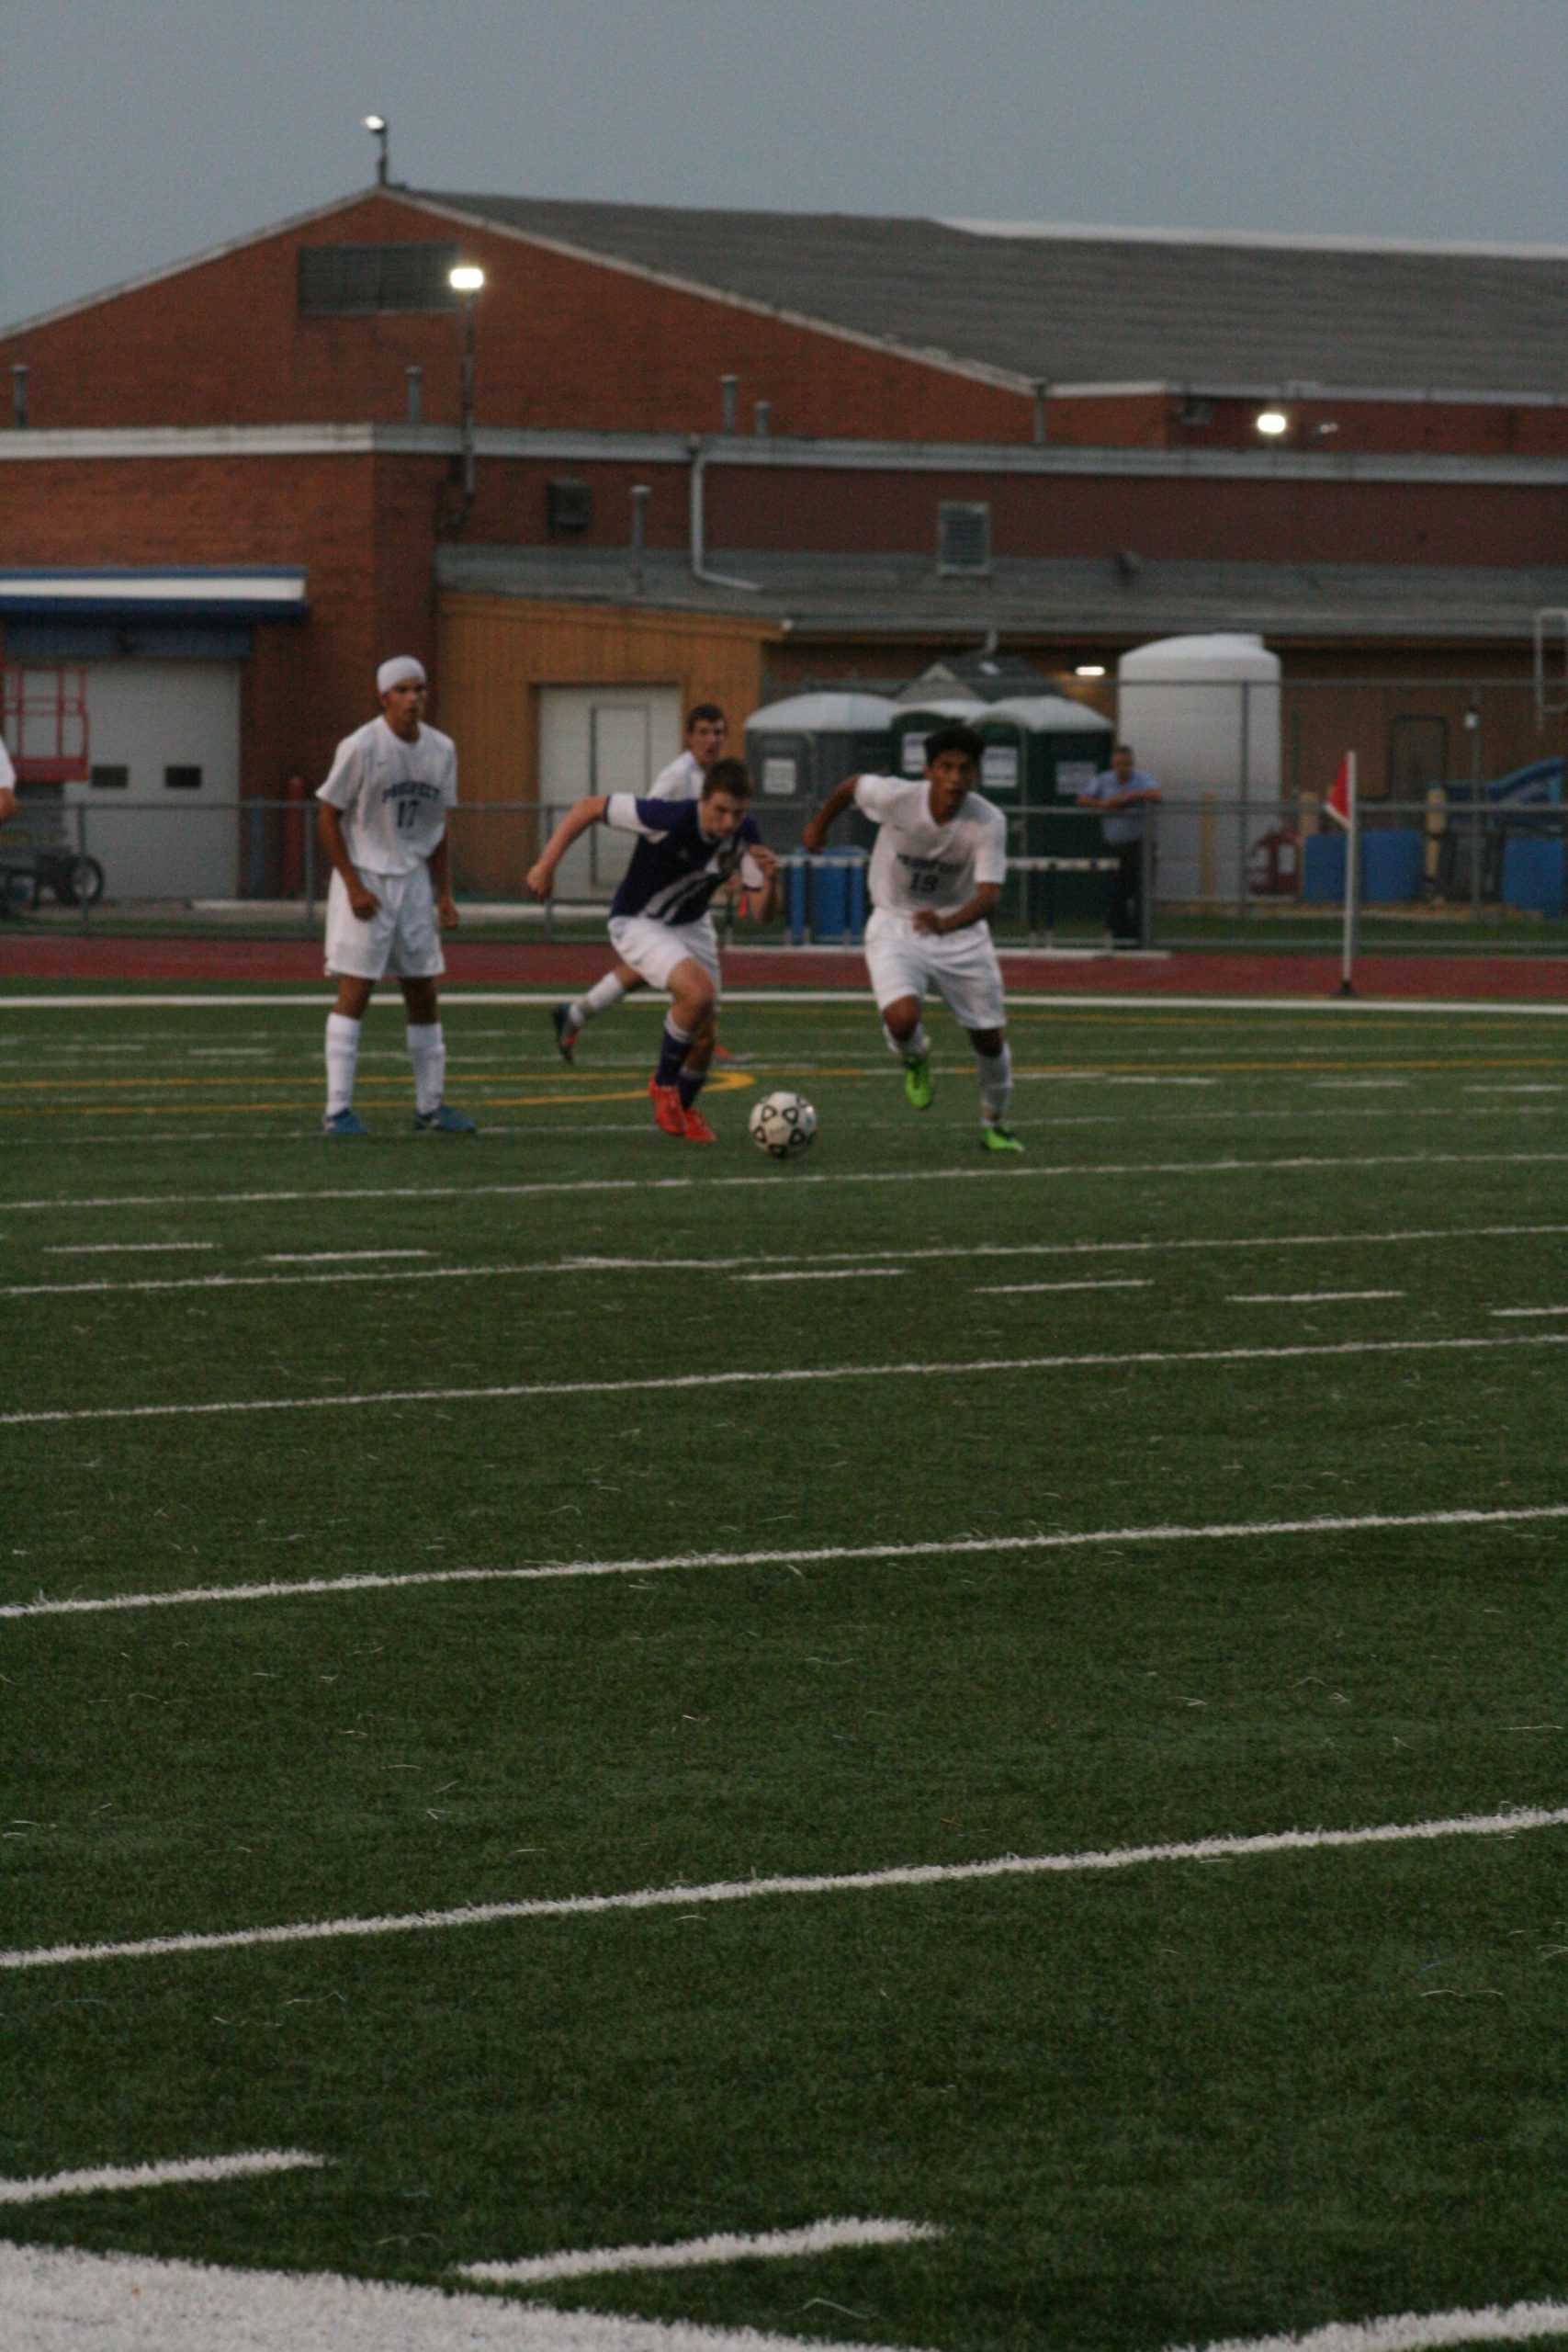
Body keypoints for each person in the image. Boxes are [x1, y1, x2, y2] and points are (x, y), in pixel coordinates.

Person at [526, 756, 778, 1143]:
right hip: (639, 920)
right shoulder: (669, 817)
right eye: (721, 810)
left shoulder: (748, 833)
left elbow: (762, 914)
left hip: (692, 924)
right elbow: (588, 807)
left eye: (738, 813)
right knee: (698, 994)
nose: (728, 822)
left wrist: (772, 880)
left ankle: (685, 1110)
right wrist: (546, 864)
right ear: (703, 800)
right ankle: (663, 1086)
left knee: (706, 1036)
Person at [802, 722, 1022, 1155]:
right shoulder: (896, 798)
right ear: (929, 771)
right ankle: (915, 1056)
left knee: (989, 1039)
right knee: (901, 1019)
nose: (955, 779)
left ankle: (994, 1123)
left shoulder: (987, 821)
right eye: (946, 768)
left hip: (960, 933)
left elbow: (990, 896)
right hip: (894, 923)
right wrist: (819, 827)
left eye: (964, 769)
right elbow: (851, 787)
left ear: (975, 774)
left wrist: (947, 923)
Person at [314, 655, 475, 1138]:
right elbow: (327, 814)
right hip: (366, 877)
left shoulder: (442, 749)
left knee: (423, 989)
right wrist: (353, 884)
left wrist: (444, 894)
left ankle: (431, 1106)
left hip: (413, 881)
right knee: (357, 990)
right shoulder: (361, 746)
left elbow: (439, 826)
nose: (413, 699)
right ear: (383, 697)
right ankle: (337, 1110)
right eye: (403, 690)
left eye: (419, 690)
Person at [548, 703, 739, 1062]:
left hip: (690, 893)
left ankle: (573, 1015)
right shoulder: (676, 776)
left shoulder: (721, 781)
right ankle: (698, 1039)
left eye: (718, 732)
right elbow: (651, 827)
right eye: (704, 732)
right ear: (688, 736)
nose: (712, 739)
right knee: (681, 975)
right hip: (664, 893)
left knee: (646, 970)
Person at [1077, 742, 1161, 946]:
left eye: (1127, 764)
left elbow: (1156, 795)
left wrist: (1130, 797)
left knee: (1141, 892)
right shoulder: (1103, 780)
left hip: (1138, 845)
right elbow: (1082, 799)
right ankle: (1120, 937)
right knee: (1116, 893)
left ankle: (1142, 938)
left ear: (1132, 764)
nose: (1123, 768)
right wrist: (1104, 804)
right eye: (1119, 764)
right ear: (1113, 764)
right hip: (1114, 846)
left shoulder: (1142, 779)